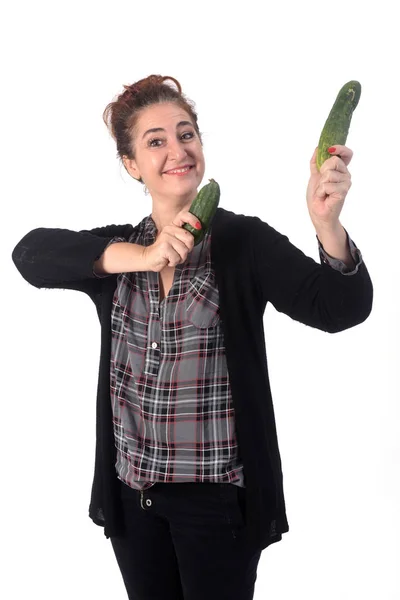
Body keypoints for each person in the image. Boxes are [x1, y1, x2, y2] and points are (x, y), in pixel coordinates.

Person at [11, 74, 373, 600]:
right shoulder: (118, 252)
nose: (177, 149)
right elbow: (30, 254)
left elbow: (340, 308)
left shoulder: (242, 242)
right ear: (132, 165)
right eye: (155, 141)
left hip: (218, 504)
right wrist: (143, 256)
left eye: (186, 134)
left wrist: (326, 224)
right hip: (133, 500)